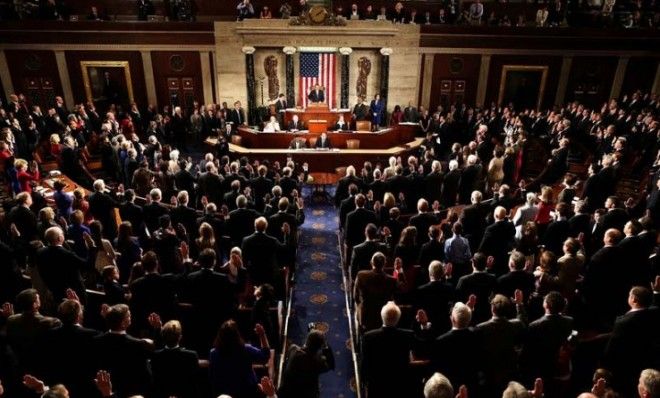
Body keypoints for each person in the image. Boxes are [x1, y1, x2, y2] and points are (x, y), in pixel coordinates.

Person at [209, 320, 270, 398]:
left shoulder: (213, 353)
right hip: (247, 393)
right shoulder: (245, 349)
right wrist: (262, 334)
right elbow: (265, 356)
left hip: (223, 394)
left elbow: (211, 377)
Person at [278, 328, 335, 398]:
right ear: (320, 347)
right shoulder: (317, 363)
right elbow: (331, 365)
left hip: (286, 393)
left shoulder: (293, 349)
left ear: (307, 340)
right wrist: (325, 345)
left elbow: (303, 351)